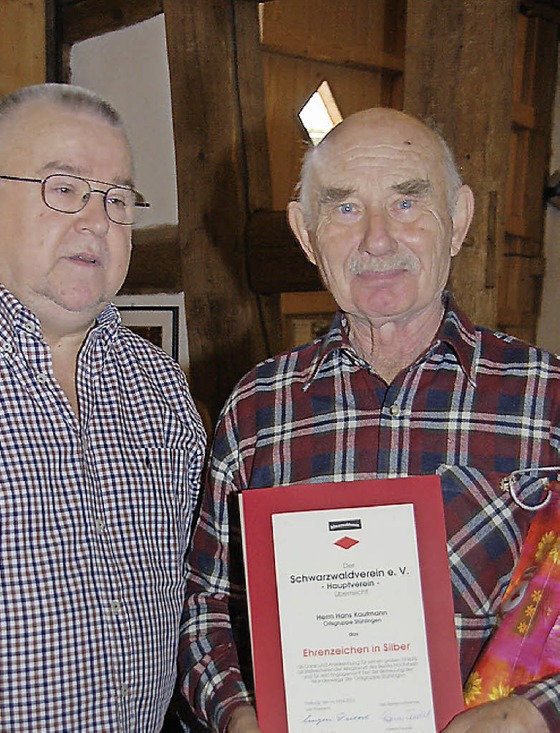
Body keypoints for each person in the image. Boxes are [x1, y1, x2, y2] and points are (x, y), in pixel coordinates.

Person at [178, 107, 560, 732]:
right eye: (345, 208)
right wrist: (239, 718)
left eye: (407, 203)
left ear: (459, 219)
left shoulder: (549, 397)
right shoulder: (256, 407)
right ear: (305, 232)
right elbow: (203, 603)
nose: (377, 240)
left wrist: (534, 715)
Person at [0, 83, 205, 731]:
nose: (98, 220)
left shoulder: (159, 389)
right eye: (65, 189)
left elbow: (194, 606)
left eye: (118, 198)